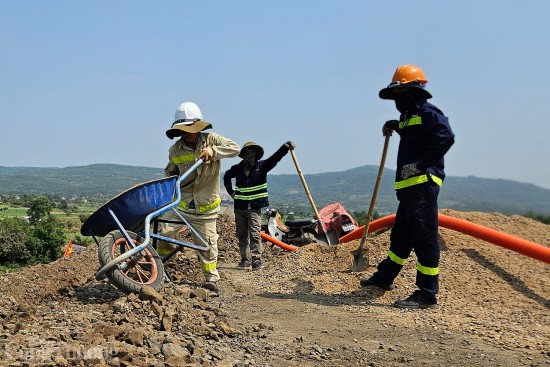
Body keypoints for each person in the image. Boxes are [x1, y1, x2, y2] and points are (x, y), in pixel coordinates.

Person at [360, 65, 455, 309]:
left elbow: (445, 137)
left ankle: (427, 293)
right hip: (409, 190)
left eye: (399, 95)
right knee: (400, 236)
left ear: (412, 92)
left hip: (422, 185)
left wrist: (422, 165)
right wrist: (395, 124)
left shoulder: (427, 112)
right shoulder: (410, 116)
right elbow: (414, 134)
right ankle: (385, 277)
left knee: (424, 238)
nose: (396, 102)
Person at [160, 101, 240, 292]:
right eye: (183, 130)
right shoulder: (175, 150)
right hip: (182, 205)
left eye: (190, 129)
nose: (186, 133)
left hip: (206, 208)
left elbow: (235, 148)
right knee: (162, 233)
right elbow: (171, 172)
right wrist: (170, 178)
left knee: (207, 245)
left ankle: (211, 279)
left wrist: (213, 151)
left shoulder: (211, 140)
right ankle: (162, 266)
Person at [223, 141, 295, 270]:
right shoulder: (237, 168)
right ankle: (244, 260)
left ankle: (256, 260)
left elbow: (275, 158)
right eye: (247, 152)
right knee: (242, 234)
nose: (249, 155)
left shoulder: (262, 166)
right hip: (240, 207)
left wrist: (285, 148)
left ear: (256, 155)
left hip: (254, 208)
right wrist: (231, 192)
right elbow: (226, 177)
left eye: (252, 152)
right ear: (243, 154)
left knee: (255, 233)